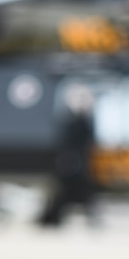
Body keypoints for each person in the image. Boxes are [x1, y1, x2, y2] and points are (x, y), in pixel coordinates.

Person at [38, 84, 98, 226]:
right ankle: (50, 219)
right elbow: (64, 143)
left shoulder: (85, 121)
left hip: (81, 164)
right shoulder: (69, 120)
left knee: (83, 193)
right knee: (63, 193)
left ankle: (90, 218)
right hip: (68, 164)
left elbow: (88, 144)